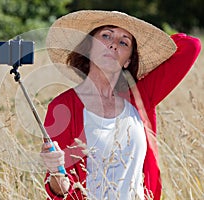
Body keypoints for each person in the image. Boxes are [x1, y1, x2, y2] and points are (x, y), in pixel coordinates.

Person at [40, 10, 201, 200]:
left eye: (124, 42)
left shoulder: (140, 96)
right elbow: (60, 192)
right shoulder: (63, 106)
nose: (113, 44)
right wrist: (55, 172)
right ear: (88, 47)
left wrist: (154, 41)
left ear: (129, 61)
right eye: (106, 35)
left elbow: (191, 46)